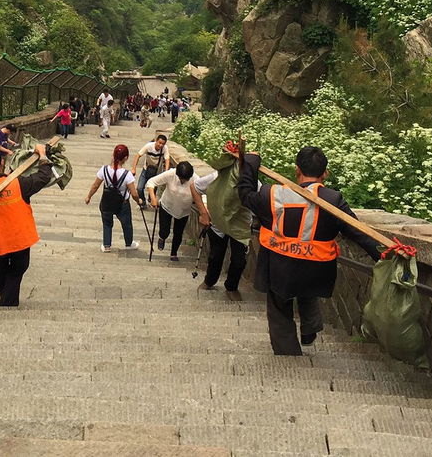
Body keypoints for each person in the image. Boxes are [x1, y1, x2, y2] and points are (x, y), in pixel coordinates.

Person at [237, 146, 382, 355]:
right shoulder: (333, 200)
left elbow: (245, 194)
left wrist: (250, 163)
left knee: (279, 307)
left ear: (297, 170)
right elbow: (357, 232)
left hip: (280, 266)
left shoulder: (272, 195)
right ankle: (310, 328)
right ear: (325, 173)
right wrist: (384, 255)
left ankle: (288, 352)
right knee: (307, 291)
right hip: (316, 268)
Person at [0, 143, 55, 306]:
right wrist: (43, 155)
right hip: (20, 240)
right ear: (2, 162)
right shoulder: (19, 184)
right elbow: (44, 177)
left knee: (0, 276)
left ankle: (7, 301)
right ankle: (8, 303)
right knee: (17, 271)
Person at [197, 139, 254, 301]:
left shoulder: (250, 180)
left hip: (239, 225)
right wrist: (203, 213)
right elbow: (195, 187)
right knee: (215, 255)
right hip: (218, 224)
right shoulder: (217, 176)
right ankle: (209, 281)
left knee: (239, 260)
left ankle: (231, 286)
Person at [146, 161, 214, 261]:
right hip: (167, 206)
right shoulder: (171, 174)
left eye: (185, 179)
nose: (183, 181)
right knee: (165, 231)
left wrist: (205, 212)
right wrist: (153, 198)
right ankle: (162, 237)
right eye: (181, 179)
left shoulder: (196, 180)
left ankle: (174, 253)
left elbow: (202, 196)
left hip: (183, 211)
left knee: (178, 233)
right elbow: (151, 182)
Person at [85, 144, 141, 252]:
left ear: (113, 155)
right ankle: (129, 243)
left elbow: (95, 185)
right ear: (126, 158)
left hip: (107, 201)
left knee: (107, 223)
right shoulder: (127, 174)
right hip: (122, 204)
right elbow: (134, 193)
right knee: (126, 224)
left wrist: (89, 196)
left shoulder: (104, 170)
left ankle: (107, 245)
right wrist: (138, 200)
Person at [133, 134, 171, 208]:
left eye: (162, 144)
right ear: (156, 141)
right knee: (139, 188)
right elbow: (137, 155)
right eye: (159, 143)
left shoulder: (165, 148)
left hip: (157, 170)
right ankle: (143, 202)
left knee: (154, 187)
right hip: (146, 169)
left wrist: (166, 171)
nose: (160, 145)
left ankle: (151, 199)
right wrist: (134, 168)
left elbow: (167, 159)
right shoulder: (149, 146)